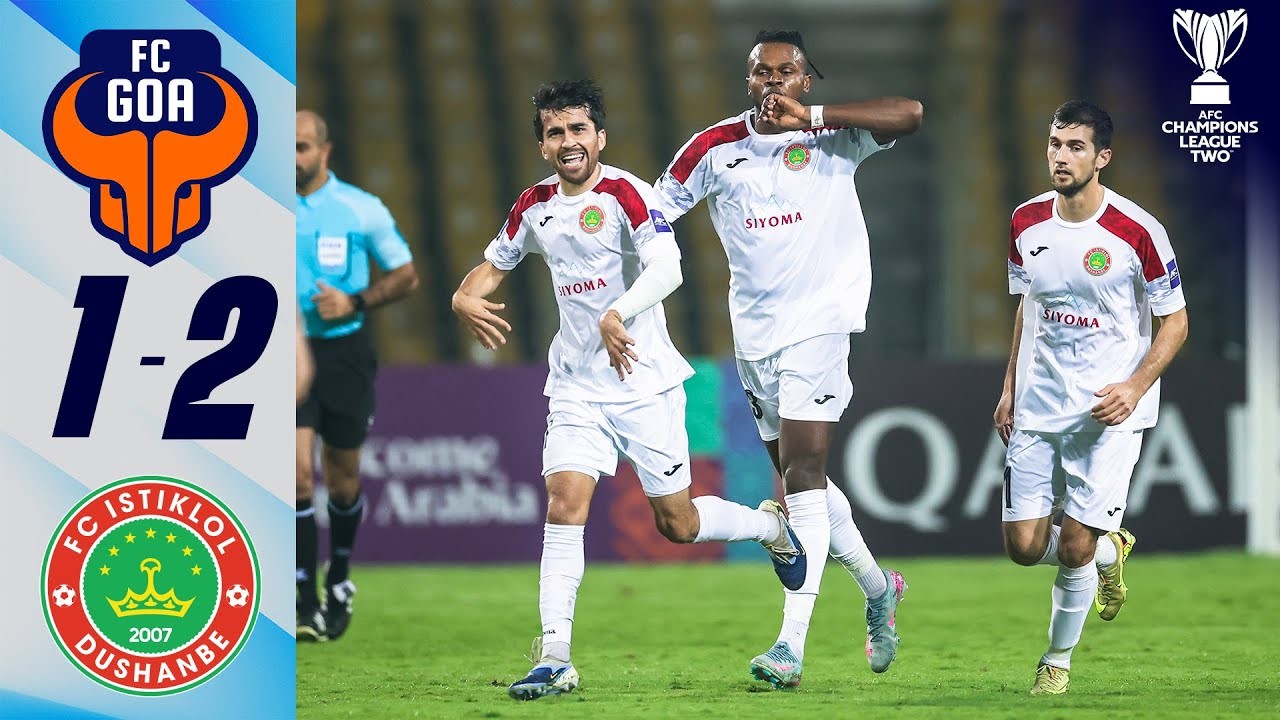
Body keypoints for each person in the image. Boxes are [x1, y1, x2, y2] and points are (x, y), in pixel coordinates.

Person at [452, 79, 806, 701]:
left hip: (642, 382)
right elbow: (494, 265)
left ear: (600, 137)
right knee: (564, 504)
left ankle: (768, 528)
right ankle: (554, 656)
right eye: (555, 132)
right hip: (575, 384)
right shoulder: (533, 205)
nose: (568, 141)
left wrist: (618, 312)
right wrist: (463, 295)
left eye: (578, 129)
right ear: (542, 146)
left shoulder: (627, 193)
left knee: (678, 523)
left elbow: (669, 267)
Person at [653, 30, 923, 687]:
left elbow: (911, 113)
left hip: (821, 324)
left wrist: (816, 117)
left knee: (802, 476)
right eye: (761, 72)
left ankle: (789, 646)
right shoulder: (714, 148)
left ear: (806, 80)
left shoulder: (834, 136)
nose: (773, 81)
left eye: (786, 71)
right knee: (804, 481)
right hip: (755, 338)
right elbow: (652, 217)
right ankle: (879, 588)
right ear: (748, 81)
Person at [994, 100, 1188, 695]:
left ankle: (1056, 662)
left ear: (1102, 157)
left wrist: (1134, 386)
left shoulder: (1138, 231)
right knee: (1024, 548)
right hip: (1037, 403)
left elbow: (1176, 322)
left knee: (1073, 545)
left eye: (1075, 147)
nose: (1061, 156)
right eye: (1055, 144)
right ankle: (1111, 551)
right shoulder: (1025, 223)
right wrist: (1009, 388)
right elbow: (1027, 308)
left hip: (1109, 410)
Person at [295, 109, 420, 642]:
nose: (291, 158)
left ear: (325, 151)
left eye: (301, 147)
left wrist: (355, 301)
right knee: (296, 475)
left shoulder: (360, 209)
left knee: (342, 477)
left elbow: (406, 274)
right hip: (282, 352)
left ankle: (339, 576)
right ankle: (304, 601)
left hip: (344, 353)